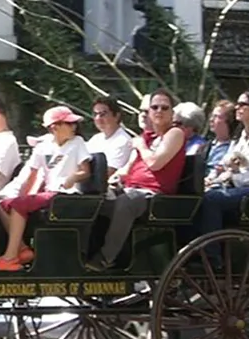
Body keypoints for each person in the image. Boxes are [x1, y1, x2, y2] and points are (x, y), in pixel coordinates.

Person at [85, 89, 187, 272]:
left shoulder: (175, 133)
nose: (159, 111)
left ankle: (106, 258)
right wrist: (117, 178)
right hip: (132, 188)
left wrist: (140, 145)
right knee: (95, 202)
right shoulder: (147, 137)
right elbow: (127, 168)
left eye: (165, 107)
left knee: (127, 201)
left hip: (156, 195)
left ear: (172, 113)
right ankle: (91, 253)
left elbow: (155, 163)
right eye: (154, 107)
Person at [0, 106, 91, 272]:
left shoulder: (77, 143)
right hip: (49, 194)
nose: (74, 127)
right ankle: (22, 249)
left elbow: (85, 170)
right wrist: (20, 197)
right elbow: (31, 175)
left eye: (74, 124)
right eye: (69, 123)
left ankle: (10, 257)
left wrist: (72, 178)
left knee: (18, 205)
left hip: (66, 196)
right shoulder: (43, 146)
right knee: (2, 205)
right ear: (54, 127)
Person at [197, 90, 249, 234]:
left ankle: (211, 254)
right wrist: (211, 178)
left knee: (211, 199)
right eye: (237, 104)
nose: (237, 108)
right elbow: (224, 164)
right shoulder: (241, 137)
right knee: (200, 196)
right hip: (241, 188)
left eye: (243, 104)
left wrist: (233, 177)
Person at [86, 96, 133, 176]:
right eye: (95, 114)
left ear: (116, 116)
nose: (98, 118)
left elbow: (108, 173)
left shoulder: (123, 141)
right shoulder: (96, 139)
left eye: (103, 114)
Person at [204, 99, 236, 175]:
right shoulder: (205, 146)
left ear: (229, 120)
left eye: (216, 116)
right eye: (212, 116)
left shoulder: (235, 147)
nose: (211, 120)